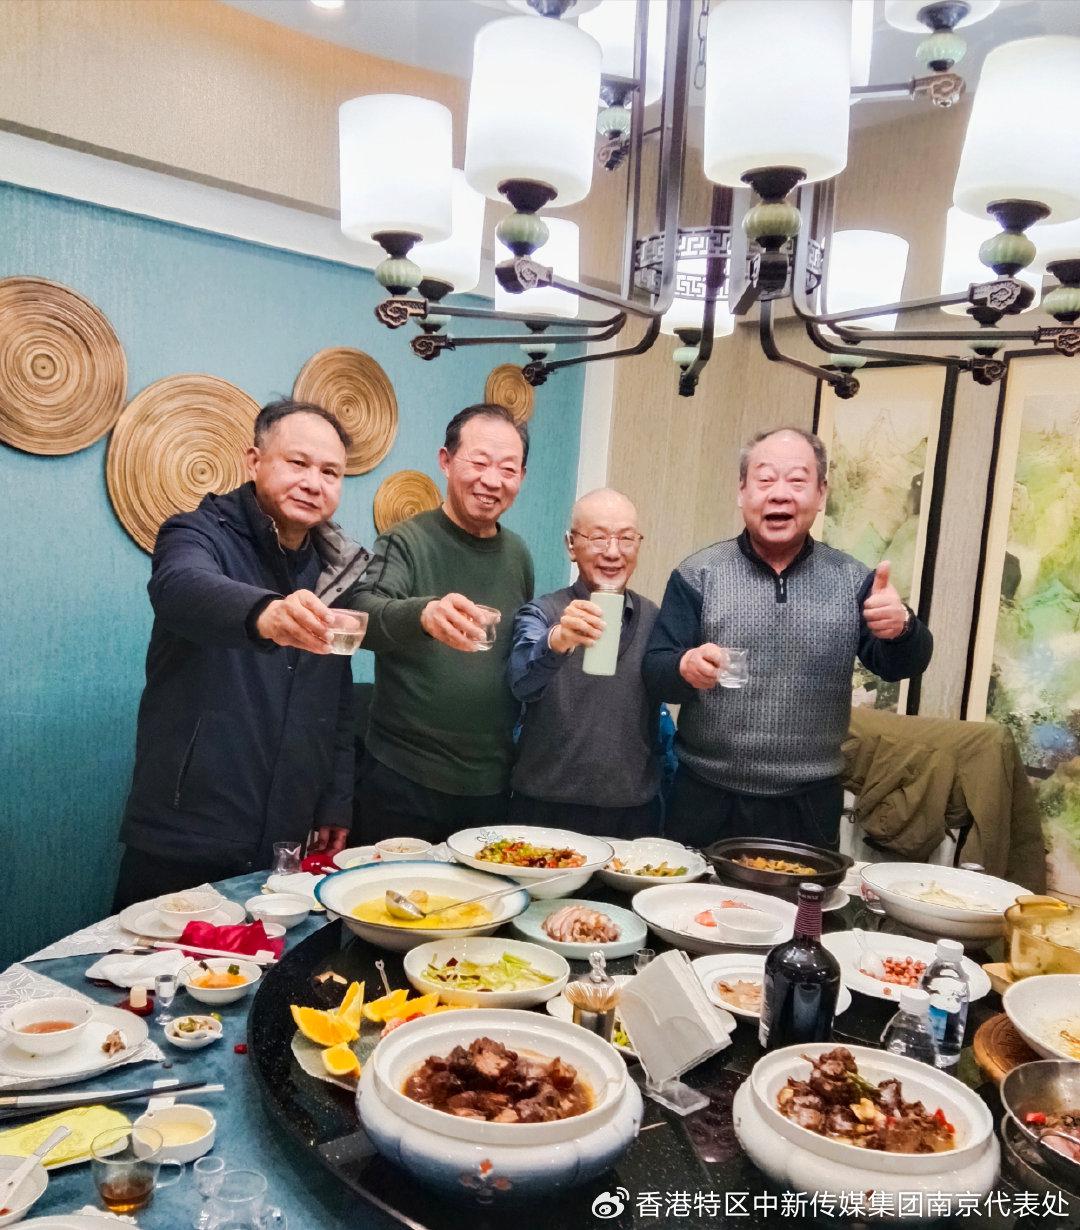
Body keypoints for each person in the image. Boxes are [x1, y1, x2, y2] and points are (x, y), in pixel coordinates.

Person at [113, 399, 371, 911]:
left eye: (330, 472)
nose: (313, 483)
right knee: (149, 960)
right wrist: (265, 614)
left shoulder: (334, 570)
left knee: (274, 956)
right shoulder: (196, 532)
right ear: (254, 461)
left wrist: (334, 801)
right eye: (297, 463)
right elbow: (179, 587)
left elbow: (337, 702)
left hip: (287, 838)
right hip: (186, 830)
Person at [643, 426, 933, 851]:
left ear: (821, 494)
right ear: (742, 491)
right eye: (764, 480)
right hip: (705, 796)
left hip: (808, 805)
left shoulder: (852, 580)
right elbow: (655, 670)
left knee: (807, 899)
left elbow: (900, 665)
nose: (780, 494)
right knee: (690, 894)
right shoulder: (698, 574)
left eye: (797, 481)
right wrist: (683, 667)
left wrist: (902, 627)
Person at [346, 404, 533, 844]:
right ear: (446, 461)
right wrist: (424, 614)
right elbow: (362, 614)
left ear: (521, 478)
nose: (492, 480)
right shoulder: (405, 541)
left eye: (508, 469)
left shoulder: (518, 554)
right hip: (405, 779)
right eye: (479, 462)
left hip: (490, 783)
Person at [507, 488, 662, 837]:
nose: (613, 552)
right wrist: (558, 639)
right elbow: (521, 683)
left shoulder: (654, 618)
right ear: (571, 545)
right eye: (598, 538)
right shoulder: (542, 613)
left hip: (632, 814)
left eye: (626, 538)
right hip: (543, 810)